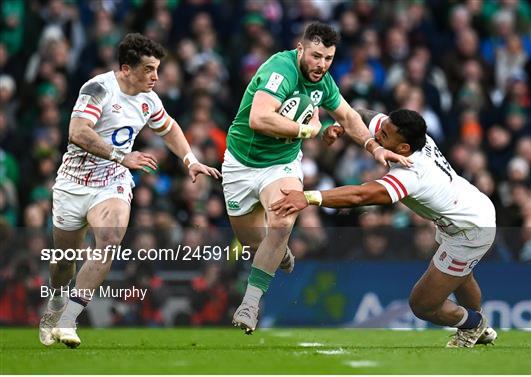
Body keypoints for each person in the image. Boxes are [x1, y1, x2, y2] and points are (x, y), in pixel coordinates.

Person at [223, 22, 410, 334]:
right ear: (301, 49)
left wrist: (374, 148)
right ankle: (278, 251)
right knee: (252, 240)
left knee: (283, 221)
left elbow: (349, 116)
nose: (321, 64)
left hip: (280, 164)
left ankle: (251, 303)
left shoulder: (323, 82)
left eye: (328, 58)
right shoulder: (280, 71)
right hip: (241, 164)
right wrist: (306, 130)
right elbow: (258, 118)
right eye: (316, 56)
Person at [39, 33, 221, 348]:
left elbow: (170, 127)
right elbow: (77, 131)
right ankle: (56, 301)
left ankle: (69, 319)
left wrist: (190, 160)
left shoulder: (149, 99)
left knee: (108, 241)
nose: (156, 76)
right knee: (64, 262)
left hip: (112, 182)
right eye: (149, 69)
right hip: (72, 183)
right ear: (126, 68)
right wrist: (123, 155)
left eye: (157, 69)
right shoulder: (98, 89)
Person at [270, 108, 498, 348]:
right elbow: (366, 115)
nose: (377, 134)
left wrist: (307, 197)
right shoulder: (416, 138)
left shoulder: (411, 174)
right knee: (461, 276)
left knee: (422, 304)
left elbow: (359, 196)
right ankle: (476, 326)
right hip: (469, 209)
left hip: (470, 230)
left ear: (403, 149)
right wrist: (342, 122)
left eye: (385, 135)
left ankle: (473, 323)